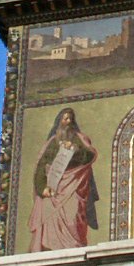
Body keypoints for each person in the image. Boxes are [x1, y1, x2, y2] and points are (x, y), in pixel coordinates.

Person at [29, 108, 99, 251]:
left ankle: (75, 248)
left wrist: (75, 148)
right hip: (53, 188)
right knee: (48, 216)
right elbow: (42, 166)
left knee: (73, 217)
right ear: (59, 121)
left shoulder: (80, 138)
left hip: (74, 186)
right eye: (64, 118)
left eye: (69, 119)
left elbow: (89, 155)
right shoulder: (52, 143)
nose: (66, 122)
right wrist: (42, 188)